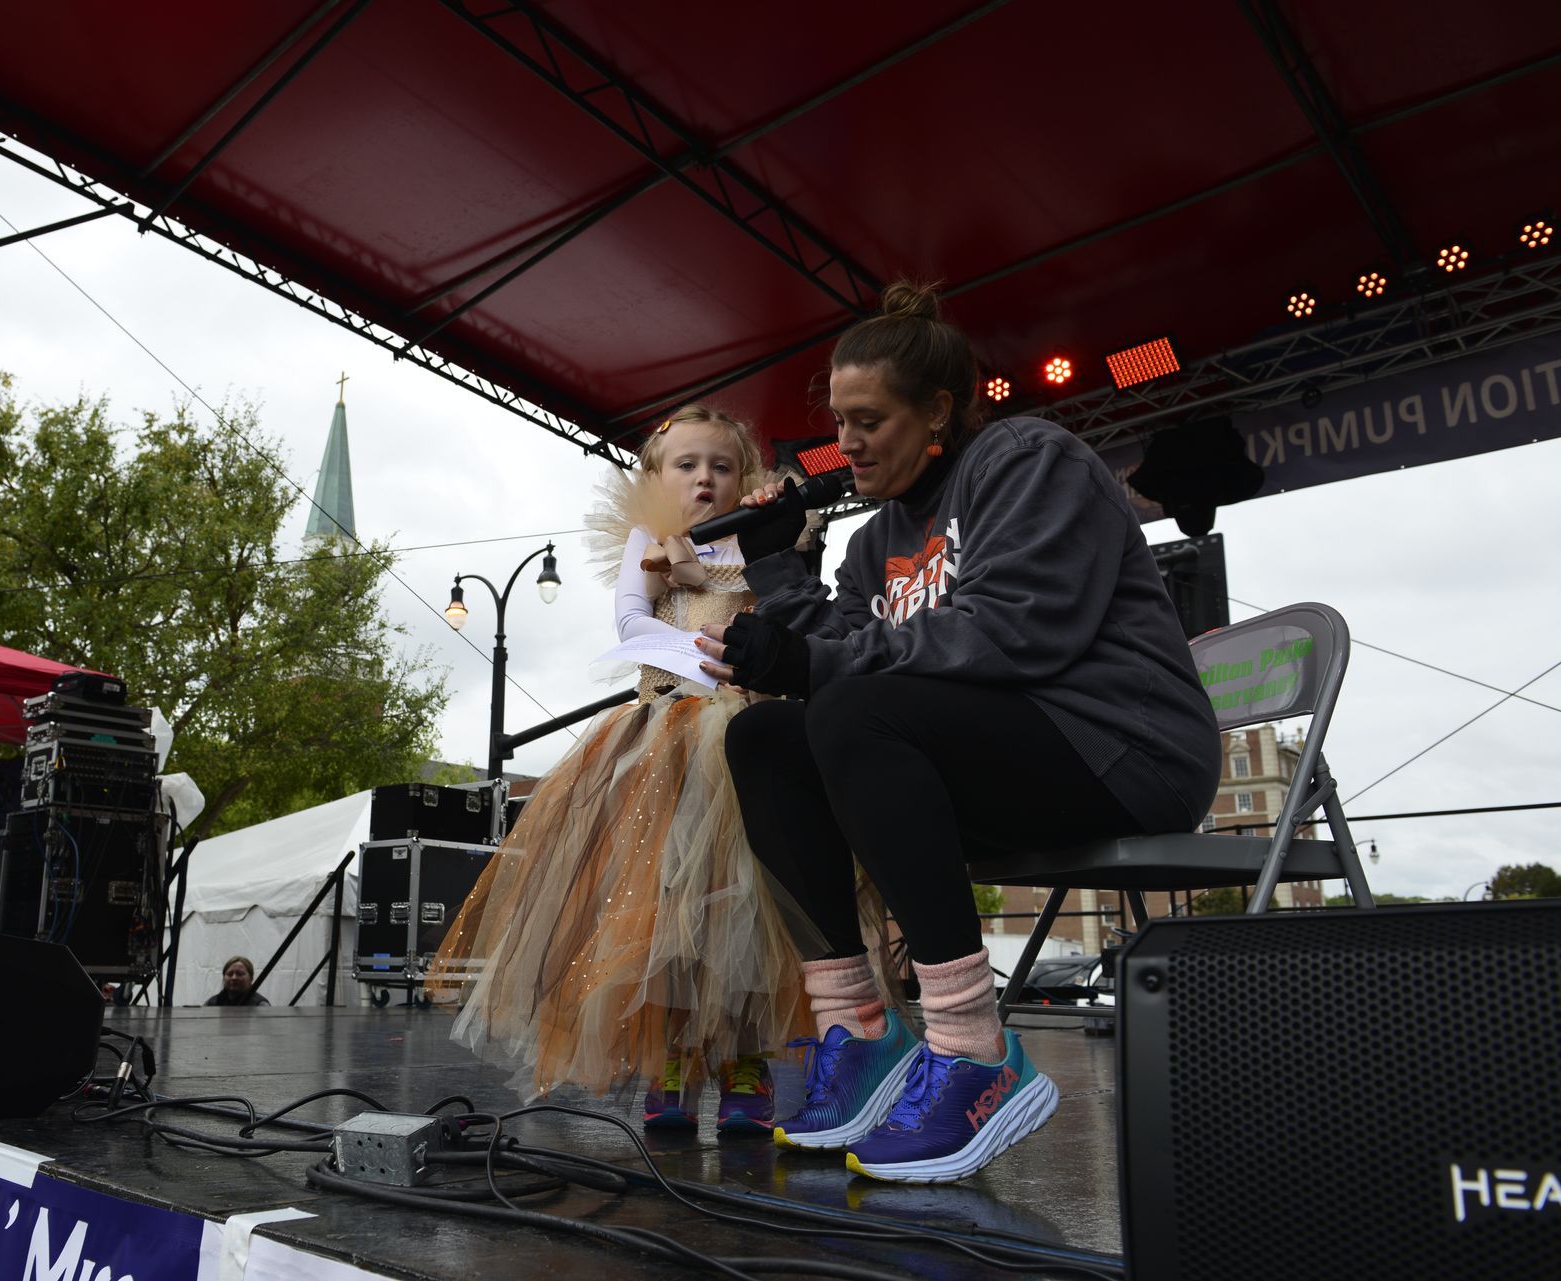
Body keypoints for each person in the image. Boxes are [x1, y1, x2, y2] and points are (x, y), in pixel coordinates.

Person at [697, 281, 1221, 1183]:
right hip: (995, 767)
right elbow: (847, 652)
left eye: (870, 420)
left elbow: (1014, 631)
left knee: (851, 704)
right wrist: (780, 572)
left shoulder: (1027, 461)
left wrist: (814, 666)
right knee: (765, 739)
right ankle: (857, 1028)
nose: (847, 442)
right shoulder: (874, 543)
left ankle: (974, 1049)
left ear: (938, 410)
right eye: (839, 421)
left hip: (1119, 749)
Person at [430, 404, 888, 1132]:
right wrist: (686, 577)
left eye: (722, 465)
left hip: (747, 733)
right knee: (662, 909)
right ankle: (672, 1057)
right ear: (656, 476)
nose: (705, 477)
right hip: (666, 733)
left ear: (747, 477)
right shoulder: (649, 540)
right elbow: (634, 621)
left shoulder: (766, 541)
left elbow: (790, 611)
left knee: (750, 906)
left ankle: (745, 1059)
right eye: (687, 464)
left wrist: (709, 569)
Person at [205, 956, 270, 1006]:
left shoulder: (260, 1005)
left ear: (251, 978)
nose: (234, 978)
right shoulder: (212, 1003)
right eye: (230, 974)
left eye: (240, 974)